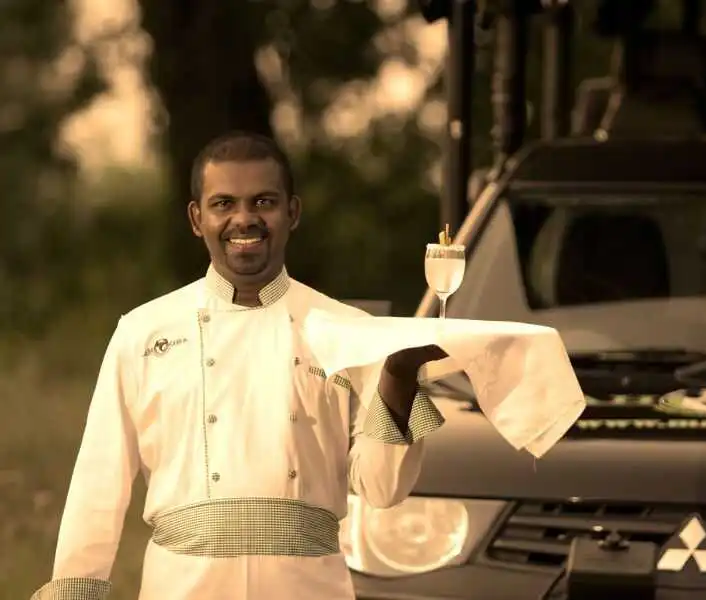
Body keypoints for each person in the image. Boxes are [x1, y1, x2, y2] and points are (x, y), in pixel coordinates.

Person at [31, 131, 448, 600]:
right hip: (183, 587)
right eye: (224, 203)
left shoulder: (347, 331)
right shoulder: (143, 332)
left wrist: (398, 379)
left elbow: (381, 487)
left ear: (292, 213)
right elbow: (99, 478)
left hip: (308, 588)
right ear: (197, 218)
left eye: (263, 201)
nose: (244, 218)